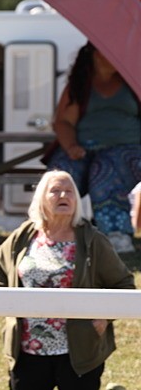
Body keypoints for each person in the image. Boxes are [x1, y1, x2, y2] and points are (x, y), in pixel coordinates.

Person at [0, 170, 135, 390]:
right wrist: (7, 300)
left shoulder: (92, 241)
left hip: (76, 347)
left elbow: (123, 284)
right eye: (55, 190)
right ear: (42, 199)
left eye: (69, 191)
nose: (63, 195)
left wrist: (106, 317)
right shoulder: (24, 236)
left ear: (77, 200)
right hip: (30, 345)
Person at [47, 42, 141, 255]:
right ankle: (52, 231)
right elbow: (63, 122)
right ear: (97, 53)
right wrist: (71, 147)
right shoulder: (80, 85)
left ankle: (116, 235)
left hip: (127, 149)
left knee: (107, 169)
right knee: (60, 174)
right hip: (82, 147)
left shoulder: (134, 80)